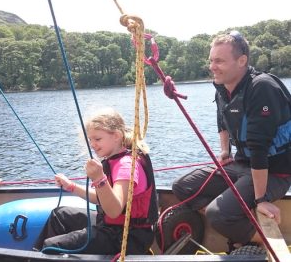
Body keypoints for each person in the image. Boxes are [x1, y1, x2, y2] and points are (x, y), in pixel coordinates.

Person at [172, 31, 291, 251]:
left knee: (218, 214)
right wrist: (225, 152)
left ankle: (264, 241)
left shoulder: (262, 88)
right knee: (182, 187)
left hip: (274, 172)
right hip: (241, 165)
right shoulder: (222, 87)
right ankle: (240, 222)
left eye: (219, 61)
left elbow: (259, 150)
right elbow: (223, 121)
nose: (212, 66)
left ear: (242, 61)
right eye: (211, 60)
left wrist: (261, 199)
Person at [34, 108, 158, 255]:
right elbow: (102, 199)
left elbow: (114, 210)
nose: (92, 144)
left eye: (97, 139)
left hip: (127, 236)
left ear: (116, 136)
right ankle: (34, 255)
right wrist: (71, 186)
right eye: (90, 140)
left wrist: (99, 178)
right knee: (59, 215)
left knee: (51, 246)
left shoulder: (126, 165)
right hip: (113, 225)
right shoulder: (113, 159)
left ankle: (38, 255)